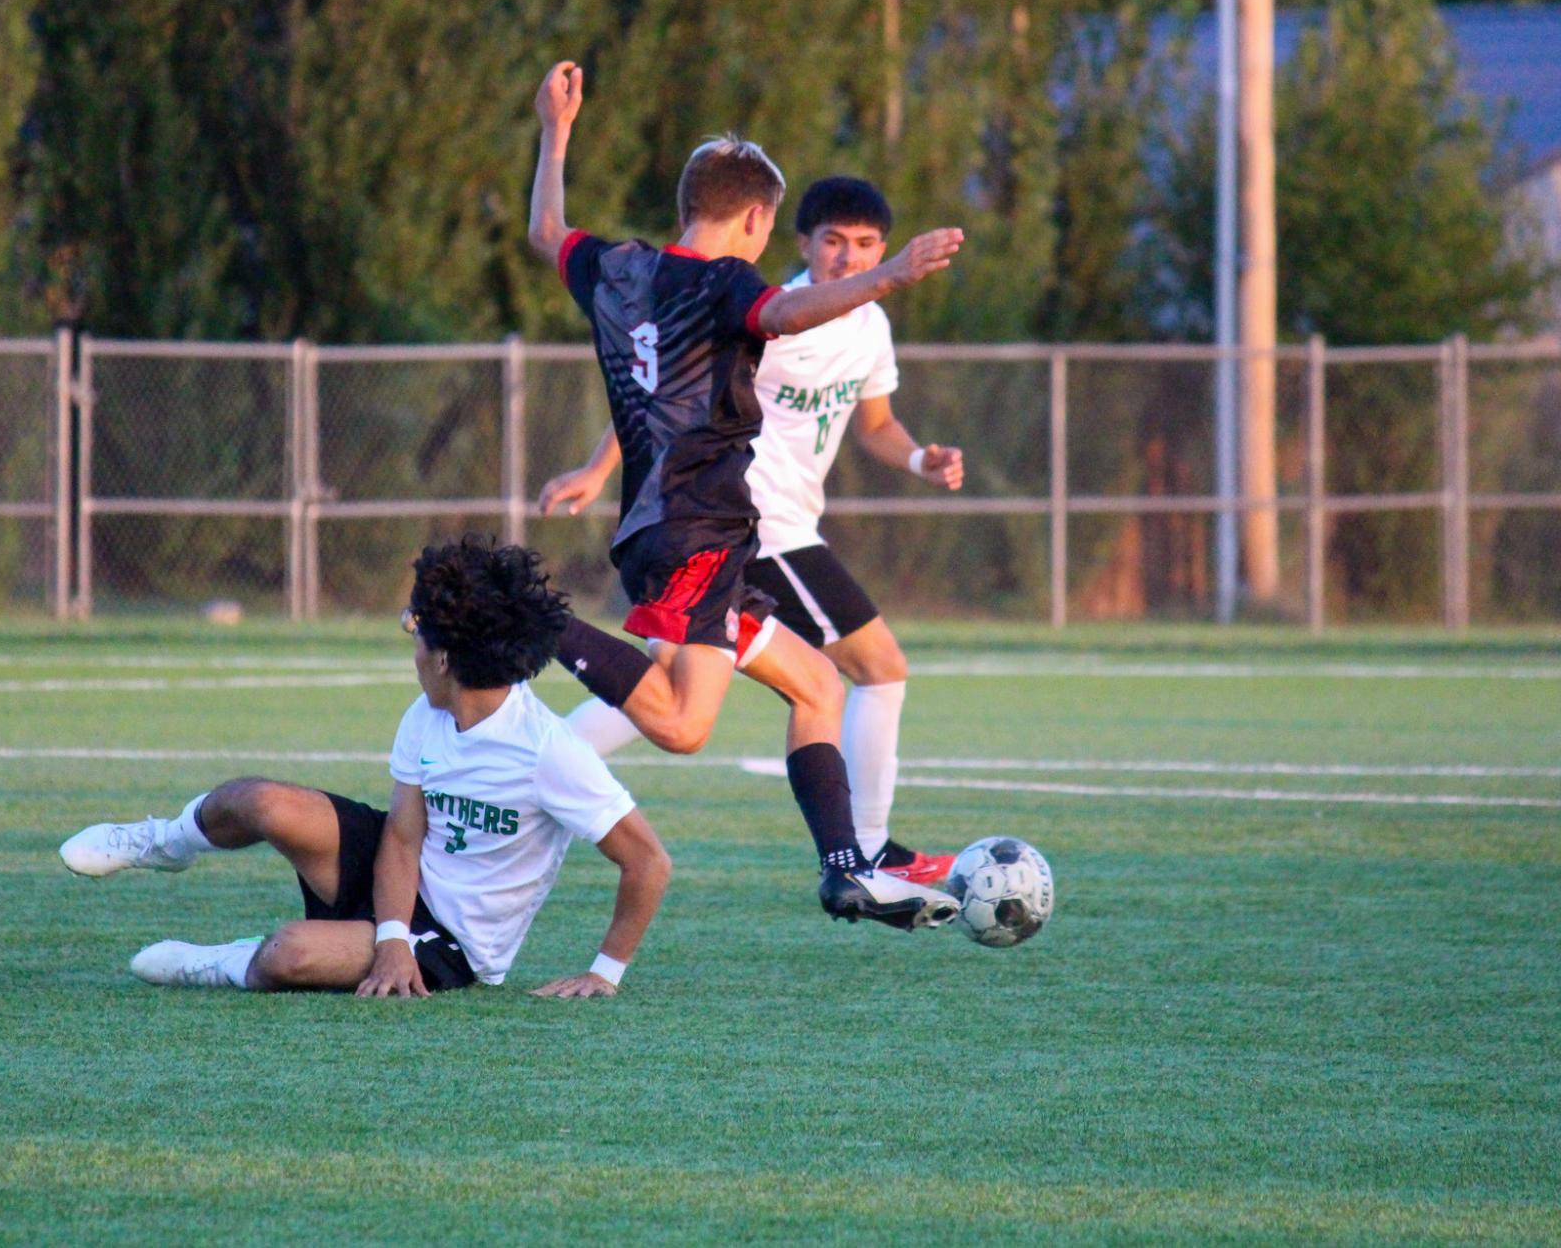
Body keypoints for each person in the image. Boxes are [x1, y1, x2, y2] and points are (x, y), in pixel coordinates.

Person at [525, 58, 961, 931]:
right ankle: (530, 621)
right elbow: (787, 315)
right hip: (697, 532)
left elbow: (545, 230)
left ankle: (848, 870)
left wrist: (554, 130)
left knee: (818, 688)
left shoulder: (616, 267)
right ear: (761, 219)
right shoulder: (730, 286)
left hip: (688, 533)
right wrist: (892, 277)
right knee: (685, 726)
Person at [57, 538, 671, 1000]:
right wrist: (390, 937)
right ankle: (164, 842)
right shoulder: (428, 714)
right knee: (259, 801)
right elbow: (402, 837)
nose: (413, 647)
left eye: (418, 635)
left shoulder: (546, 752)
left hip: (456, 943)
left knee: (287, 955)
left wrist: (604, 972)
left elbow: (647, 859)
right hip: (396, 877)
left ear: (446, 658)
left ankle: (221, 962)